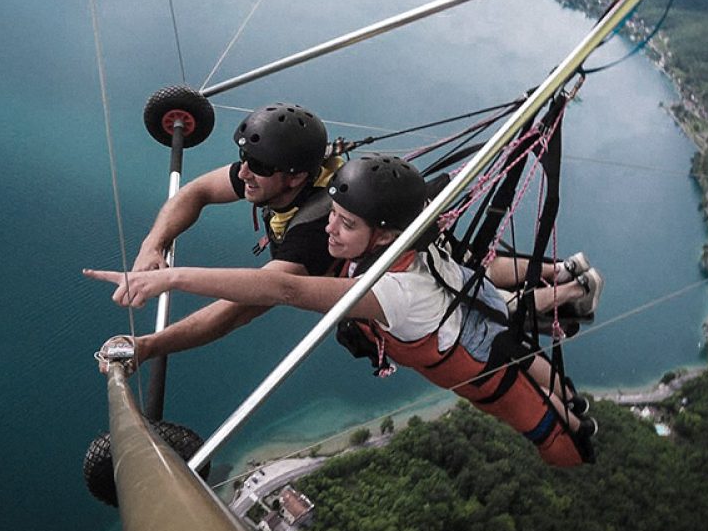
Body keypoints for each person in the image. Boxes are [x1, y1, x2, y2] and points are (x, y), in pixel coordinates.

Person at [87, 155, 603, 466]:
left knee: (534, 403)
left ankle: (572, 399)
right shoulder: (409, 246)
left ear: (381, 234)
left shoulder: (391, 290)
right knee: (501, 320)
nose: (330, 230)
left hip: (463, 349)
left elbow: (282, 292)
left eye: (346, 225)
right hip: (467, 319)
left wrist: (168, 280)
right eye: (332, 216)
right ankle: (566, 293)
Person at [128, 102, 342, 360]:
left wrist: (149, 346)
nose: (243, 173)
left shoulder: (321, 227)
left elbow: (240, 308)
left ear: (296, 177)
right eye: (245, 158)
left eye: (259, 166)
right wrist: (152, 245)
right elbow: (198, 191)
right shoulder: (274, 174)